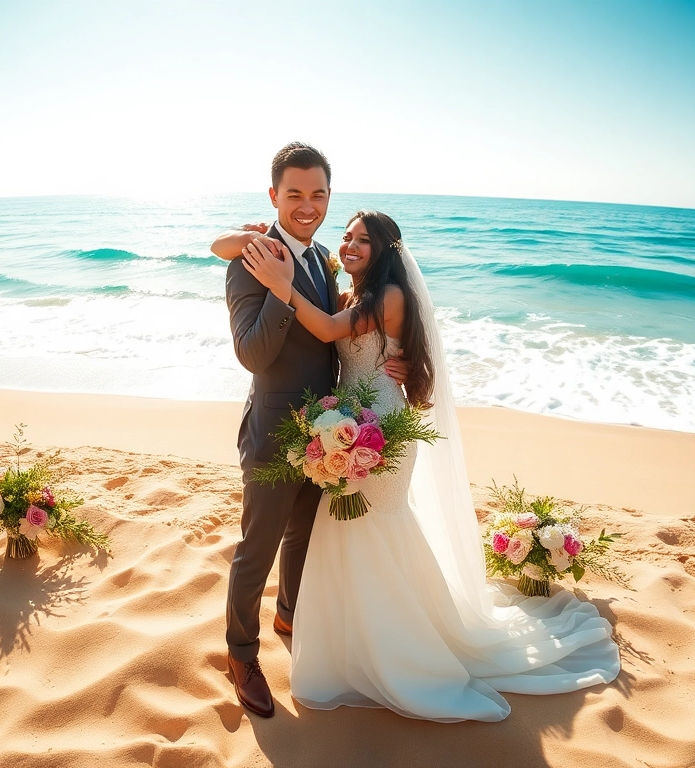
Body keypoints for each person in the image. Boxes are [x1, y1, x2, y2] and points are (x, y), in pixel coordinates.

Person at [221, 209, 620, 722]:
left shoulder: (386, 296)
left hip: (380, 425)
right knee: (340, 531)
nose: (350, 245)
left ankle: (388, 643)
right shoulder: (349, 287)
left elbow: (324, 330)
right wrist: (243, 238)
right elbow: (338, 331)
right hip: (346, 416)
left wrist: (281, 285)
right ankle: (327, 630)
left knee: (373, 527)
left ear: (387, 250)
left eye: (364, 240)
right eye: (346, 236)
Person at [216, 142, 408, 718]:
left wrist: (401, 363)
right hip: (275, 428)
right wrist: (278, 289)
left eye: (318, 194)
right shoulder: (250, 260)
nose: (307, 205)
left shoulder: (327, 257)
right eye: (294, 193)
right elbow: (252, 354)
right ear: (273, 196)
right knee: (257, 547)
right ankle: (241, 653)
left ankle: (290, 615)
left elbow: (349, 329)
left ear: (329, 197)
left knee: (305, 536)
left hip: (330, 432)